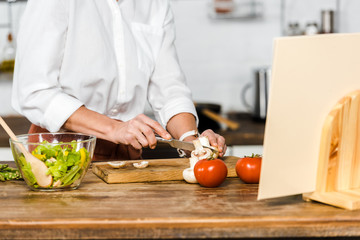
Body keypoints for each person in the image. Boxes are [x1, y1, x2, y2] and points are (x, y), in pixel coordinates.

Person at [12, 0, 226, 160]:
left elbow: (170, 90)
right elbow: (35, 92)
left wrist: (193, 141)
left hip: (127, 155)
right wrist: (115, 129)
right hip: (58, 153)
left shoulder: (155, 5)